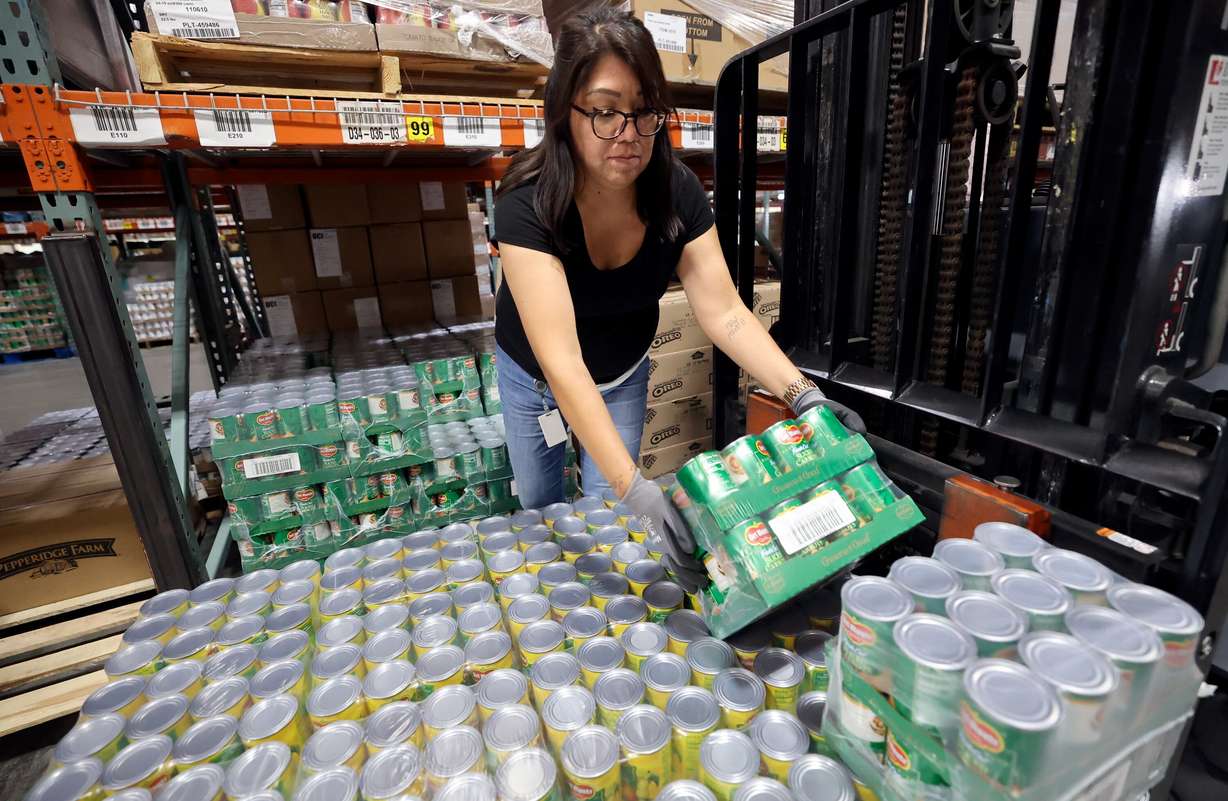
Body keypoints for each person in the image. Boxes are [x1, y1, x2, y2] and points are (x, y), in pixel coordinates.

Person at [492, 8, 863, 584]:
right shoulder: (526, 200)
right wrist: (639, 489)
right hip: (535, 377)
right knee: (541, 509)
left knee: (608, 513)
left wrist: (804, 396)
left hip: (621, 371)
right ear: (565, 110)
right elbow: (561, 361)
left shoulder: (676, 191)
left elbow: (725, 313)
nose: (630, 135)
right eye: (606, 112)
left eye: (644, 112)